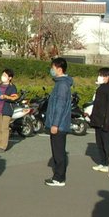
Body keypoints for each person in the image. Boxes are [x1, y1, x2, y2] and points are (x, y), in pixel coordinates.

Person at [45, 57, 73, 187]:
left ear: (59, 69)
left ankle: (59, 178)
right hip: (58, 124)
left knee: (58, 152)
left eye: (53, 68)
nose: (51, 70)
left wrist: (55, 124)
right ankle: (58, 176)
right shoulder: (60, 83)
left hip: (59, 125)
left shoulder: (62, 85)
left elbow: (60, 106)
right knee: (57, 151)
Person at [89, 67, 109, 171]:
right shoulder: (99, 88)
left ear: (108, 77)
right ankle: (102, 162)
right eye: (100, 75)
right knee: (100, 143)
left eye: (103, 75)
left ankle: (108, 163)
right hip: (98, 121)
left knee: (106, 143)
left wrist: (106, 122)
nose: (100, 77)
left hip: (106, 122)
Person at [0, 69, 20, 151]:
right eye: (3, 75)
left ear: (10, 78)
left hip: (6, 110)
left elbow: (15, 97)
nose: (3, 77)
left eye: (5, 75)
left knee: (4, 128)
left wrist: (6, 97)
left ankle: (3, 146)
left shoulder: (12, 87)